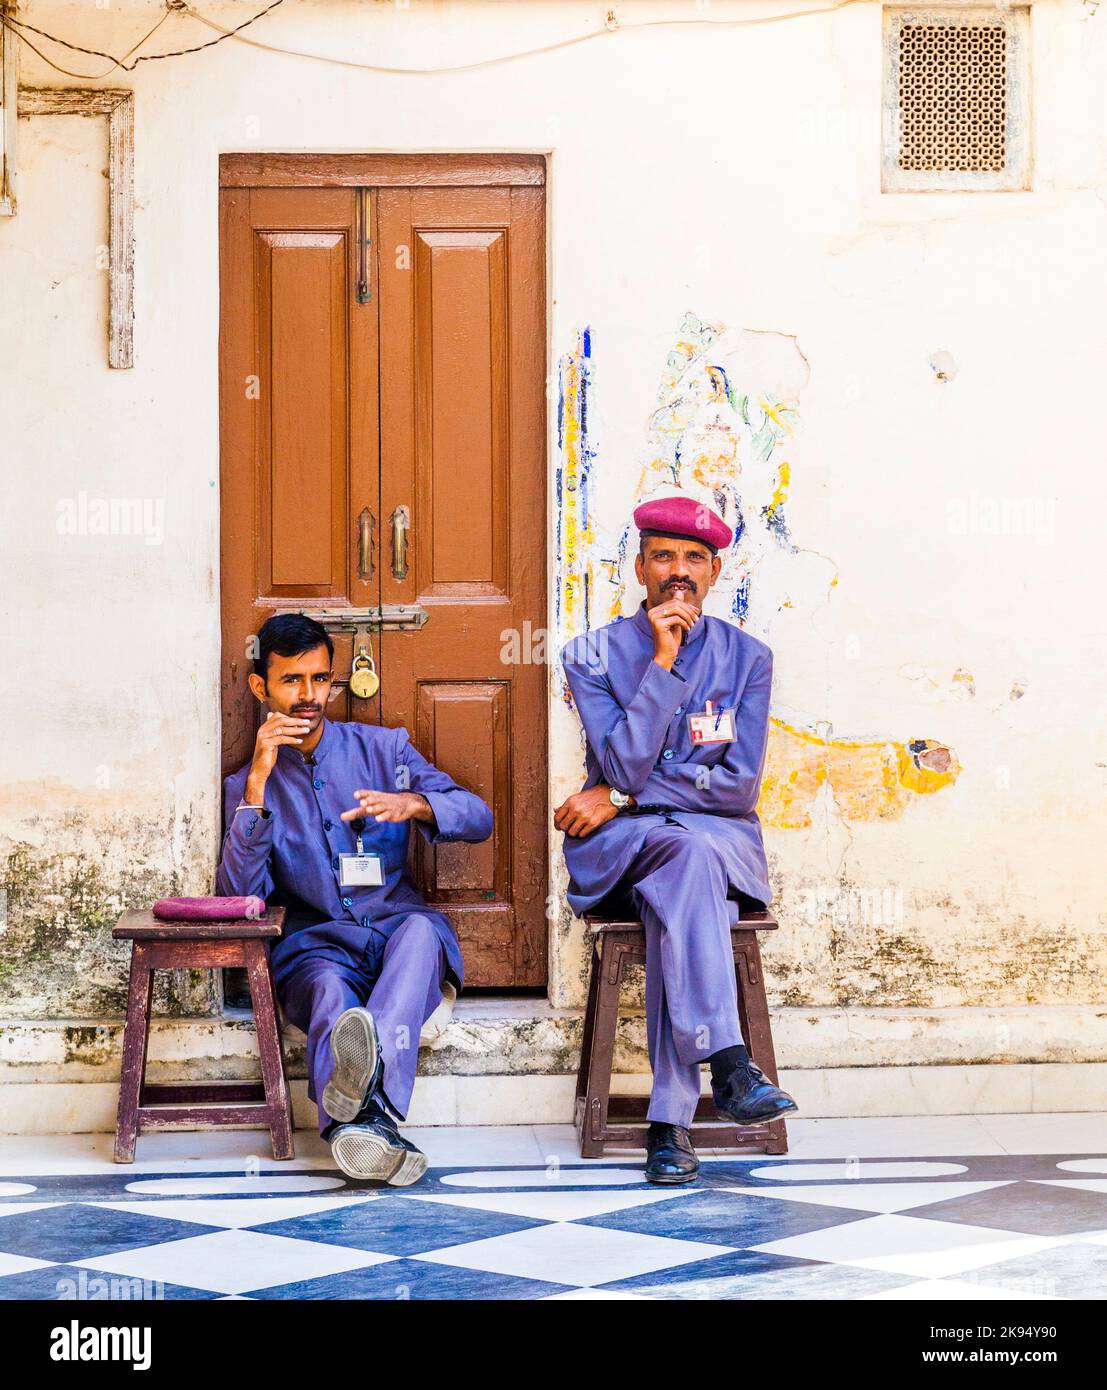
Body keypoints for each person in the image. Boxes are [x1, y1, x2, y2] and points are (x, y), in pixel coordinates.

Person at [556, 493, 798, 1184]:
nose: (678, 571)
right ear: (639, 566)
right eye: (663, 555)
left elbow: (737, 787)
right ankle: (726, 1063)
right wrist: (660, 665)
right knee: (682, 867)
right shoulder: (592, 656)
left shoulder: (748, 659)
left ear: (715, 571)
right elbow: (625, 761)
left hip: (709, 846)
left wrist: (624, 794)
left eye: (694, 558)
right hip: (621, 852)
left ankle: (671, 1123)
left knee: (684, 874)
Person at [216, 614, 493, 1184]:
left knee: (421, 933)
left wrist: (415, 804)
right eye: (292, 681)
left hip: (395, 930)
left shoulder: (384, 749)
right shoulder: (246, 784)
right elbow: (241, 897)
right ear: (259, 686)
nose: (309, 696)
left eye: (320, 680)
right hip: (316, 948)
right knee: (326, 994)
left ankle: (356, 1119)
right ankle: (378, 1125)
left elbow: (479, 816)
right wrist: (257, 784)